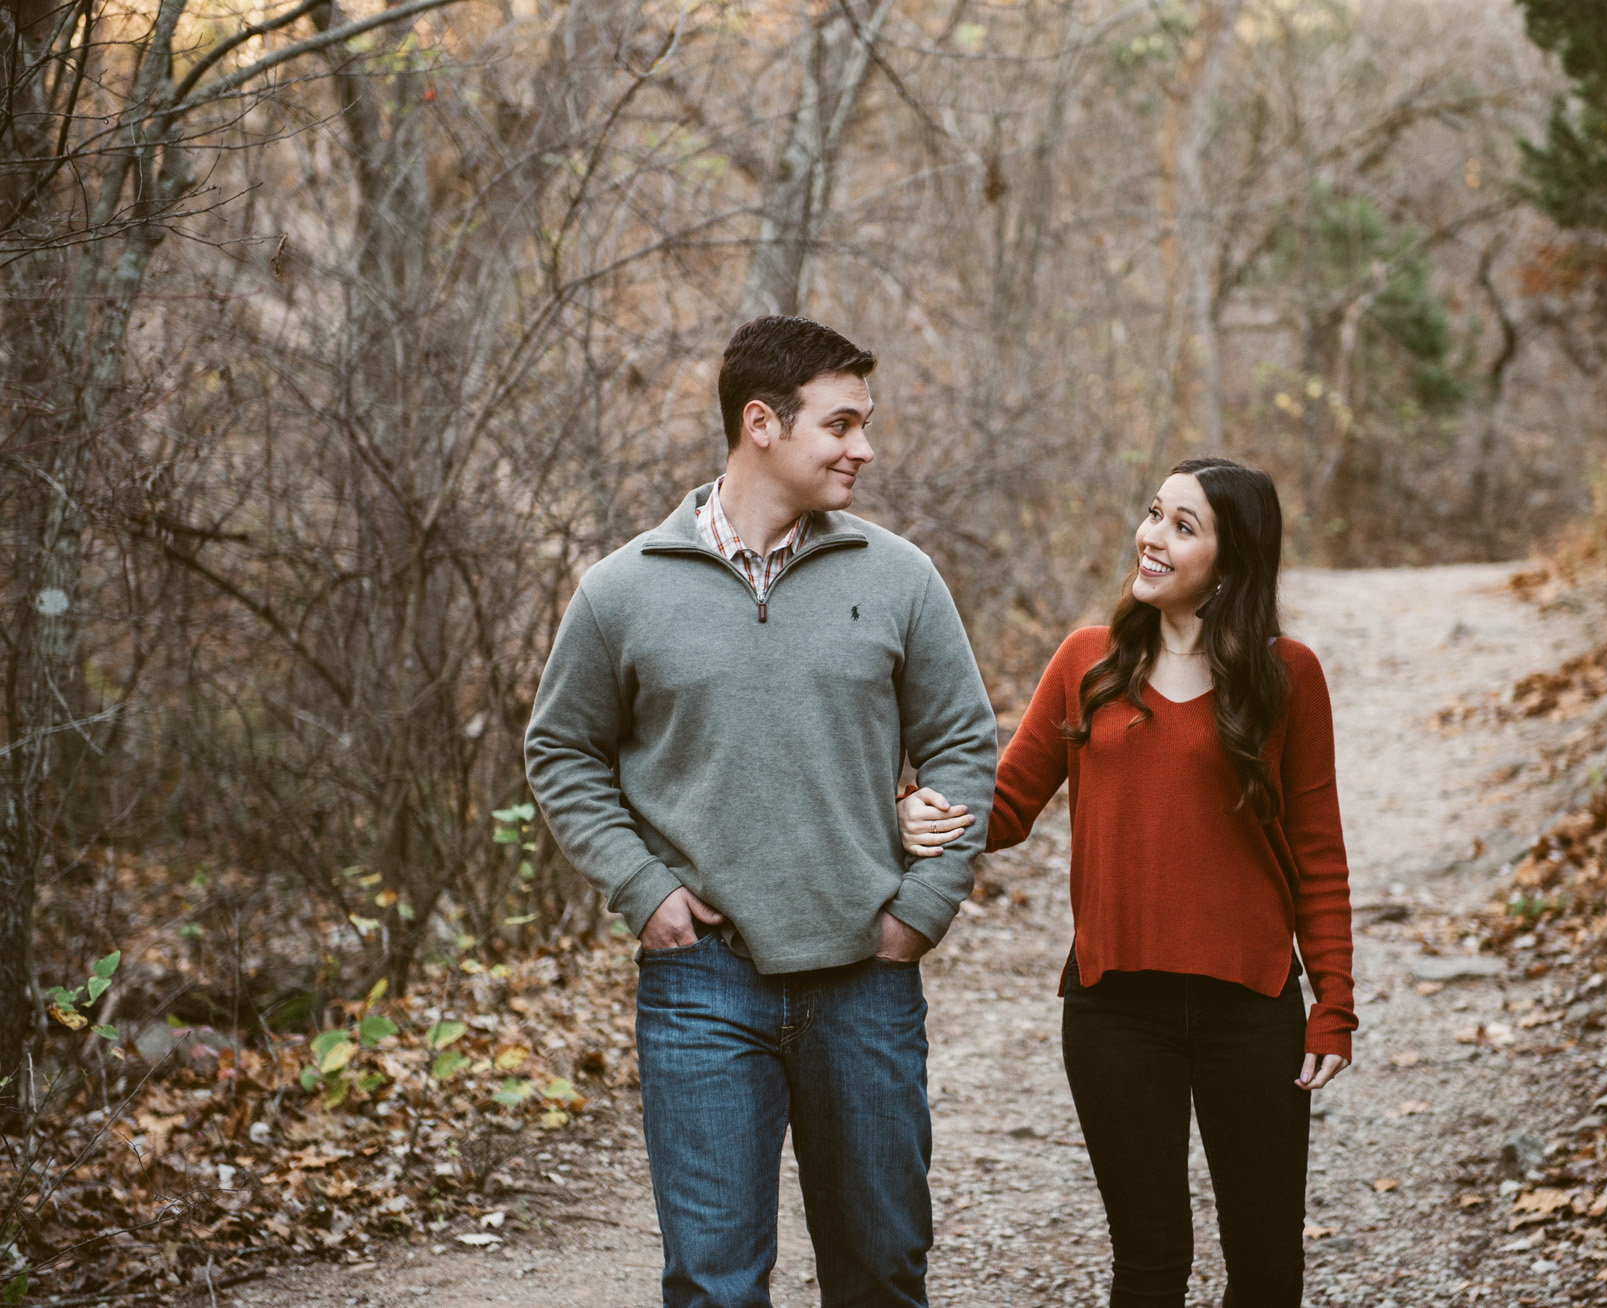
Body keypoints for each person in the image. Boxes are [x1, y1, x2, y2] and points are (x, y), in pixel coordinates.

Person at [525, 315, 998, 1308]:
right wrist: (643, 889)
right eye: (841, 424)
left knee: (881, 1274)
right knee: (714, 1286)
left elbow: (962, 743)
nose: (863, 448)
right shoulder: (621, 591)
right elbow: (561, 750)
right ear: (761, 423)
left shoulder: (900, 577)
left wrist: (921, 911)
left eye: (864, 424)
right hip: (701, 984)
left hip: (866, 979)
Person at [901, 457, 1356, 1308]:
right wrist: (912, 809)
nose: (1152, 537)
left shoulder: (1287, 675)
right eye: (1154, 514)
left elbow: (1318, 852)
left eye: (1183, 526)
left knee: (1266, 1265)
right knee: (1148, 1262)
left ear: (1231, 560)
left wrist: (1335, 1001)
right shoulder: (1088, 661)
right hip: (1115, 1011)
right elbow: (1007, 806)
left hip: (1252, 1009)